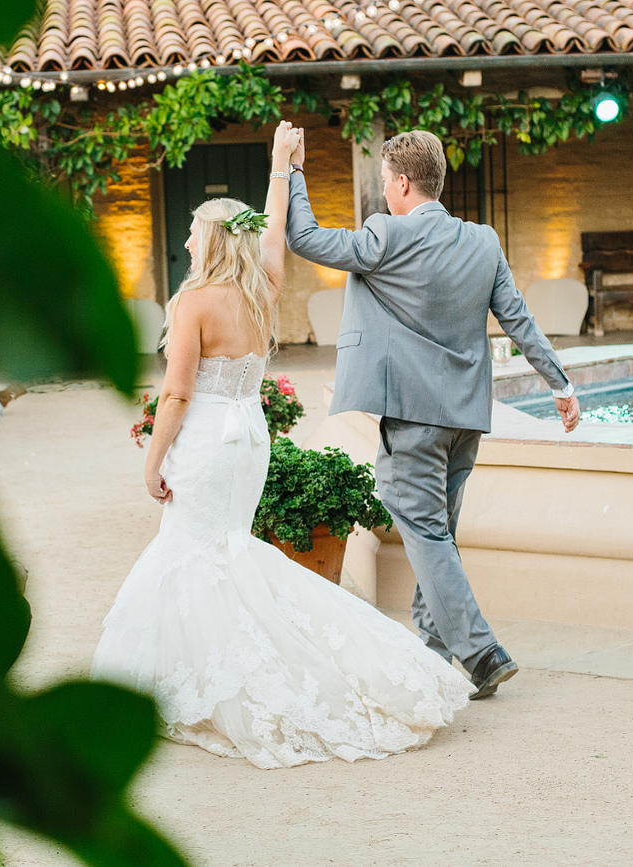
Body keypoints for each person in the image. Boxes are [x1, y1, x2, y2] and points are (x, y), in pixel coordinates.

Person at [90, 125, 473, 771]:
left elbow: (177, 396)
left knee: (199, 552)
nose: (185, 239)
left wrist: (152, 461)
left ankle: (214, 686)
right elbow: (272, 234)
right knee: (227, 550)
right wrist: (278, 164)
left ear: (210, 240)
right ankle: (206, 674)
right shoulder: (260, 290)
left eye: (192, 231)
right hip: (249, 438)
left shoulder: (192, 302)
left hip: (210, 440)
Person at [283, 124, 580, 700]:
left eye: (385, 185)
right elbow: (518, 320)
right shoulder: (484, 241)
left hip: (414, 419)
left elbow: (306, 238)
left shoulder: (385, 236)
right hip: (466, 417)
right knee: (437, 534)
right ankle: (433, 651)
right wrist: (560, 384)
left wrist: (295, 172)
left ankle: (480, 651)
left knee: (420, 528)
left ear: (399, 184)